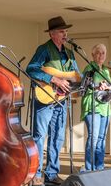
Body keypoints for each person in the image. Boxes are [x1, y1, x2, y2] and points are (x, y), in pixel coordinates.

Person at [26, 16, 80, 186]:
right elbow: (31, 69)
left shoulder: (69, 53)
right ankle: (35, 174)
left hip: (62, 100)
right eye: (62, 31)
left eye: (66, 31)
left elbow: (77, 75)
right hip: (45, 99)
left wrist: (92, 82)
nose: (65, 34)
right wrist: (54, 80)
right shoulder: (44, 49)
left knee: (57, 137)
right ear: (52, 34)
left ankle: (52, 172)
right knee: (39, 136)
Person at [81, 44, 111, 171]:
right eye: (98, 53)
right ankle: (89, 168)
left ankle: (99, 167)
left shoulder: (106, 70)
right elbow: (84, 86)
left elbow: (110, 86)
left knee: (101, 138)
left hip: (105, 107)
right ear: (93, 55)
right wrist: (96, 86)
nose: (101, 55)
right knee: (93, 138)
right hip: (92, 106)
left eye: (103, 53)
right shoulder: (89, 68)